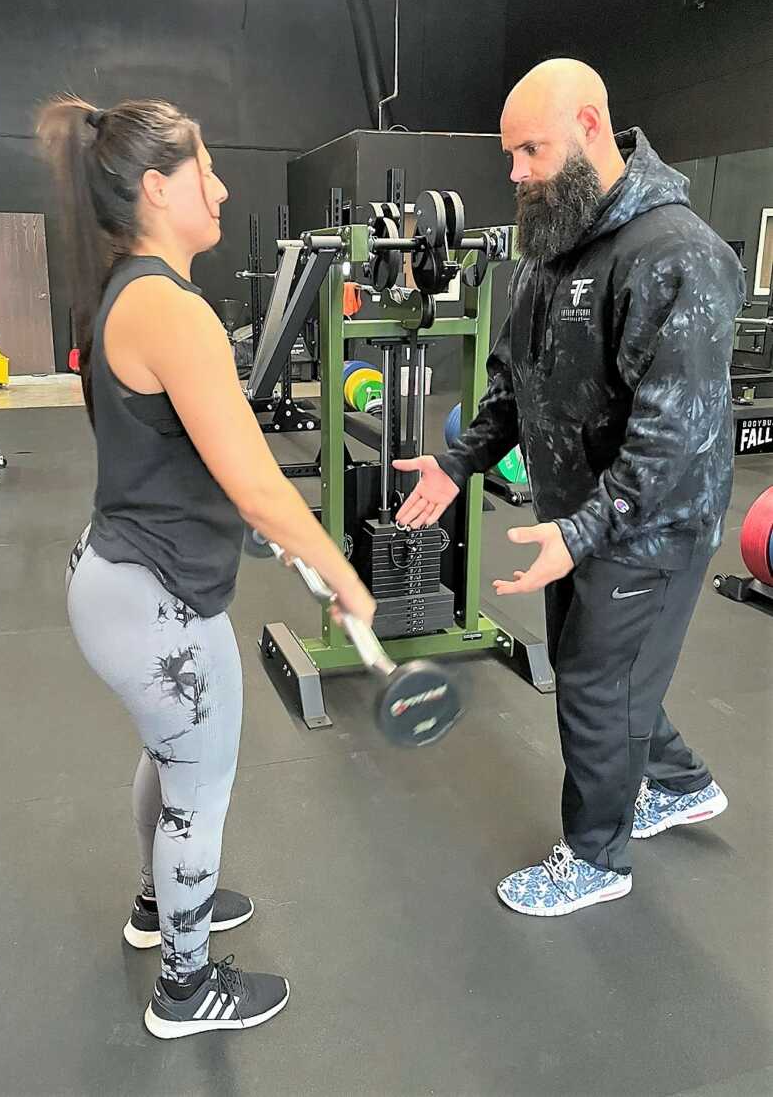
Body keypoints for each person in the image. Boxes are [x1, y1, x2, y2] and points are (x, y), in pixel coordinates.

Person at [39, 97, 375, 1036]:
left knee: (171, 755)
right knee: (200, 782)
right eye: (206, 172)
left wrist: (252, 525)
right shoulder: (168, 308)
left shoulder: (126, 293)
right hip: (151, 604)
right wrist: (341, 576)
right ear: (157, 187)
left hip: (121, 581)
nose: (221, 188)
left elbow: (175, 456)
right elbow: (263, 485)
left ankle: (160, 906)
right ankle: (186, 988)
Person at [394, 59, 742, 917]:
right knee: (609, 672)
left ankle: (596, 858)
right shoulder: (552, 245)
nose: (512, 173)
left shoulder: (677, 255)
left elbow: (673, 437)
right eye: (511, 154)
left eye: (529, 151)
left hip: (649, 526)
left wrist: (584, 533)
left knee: (592, 682)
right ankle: (681, 783)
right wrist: (460, 460)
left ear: (591, 126)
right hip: (577, 519)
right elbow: (516, 381)